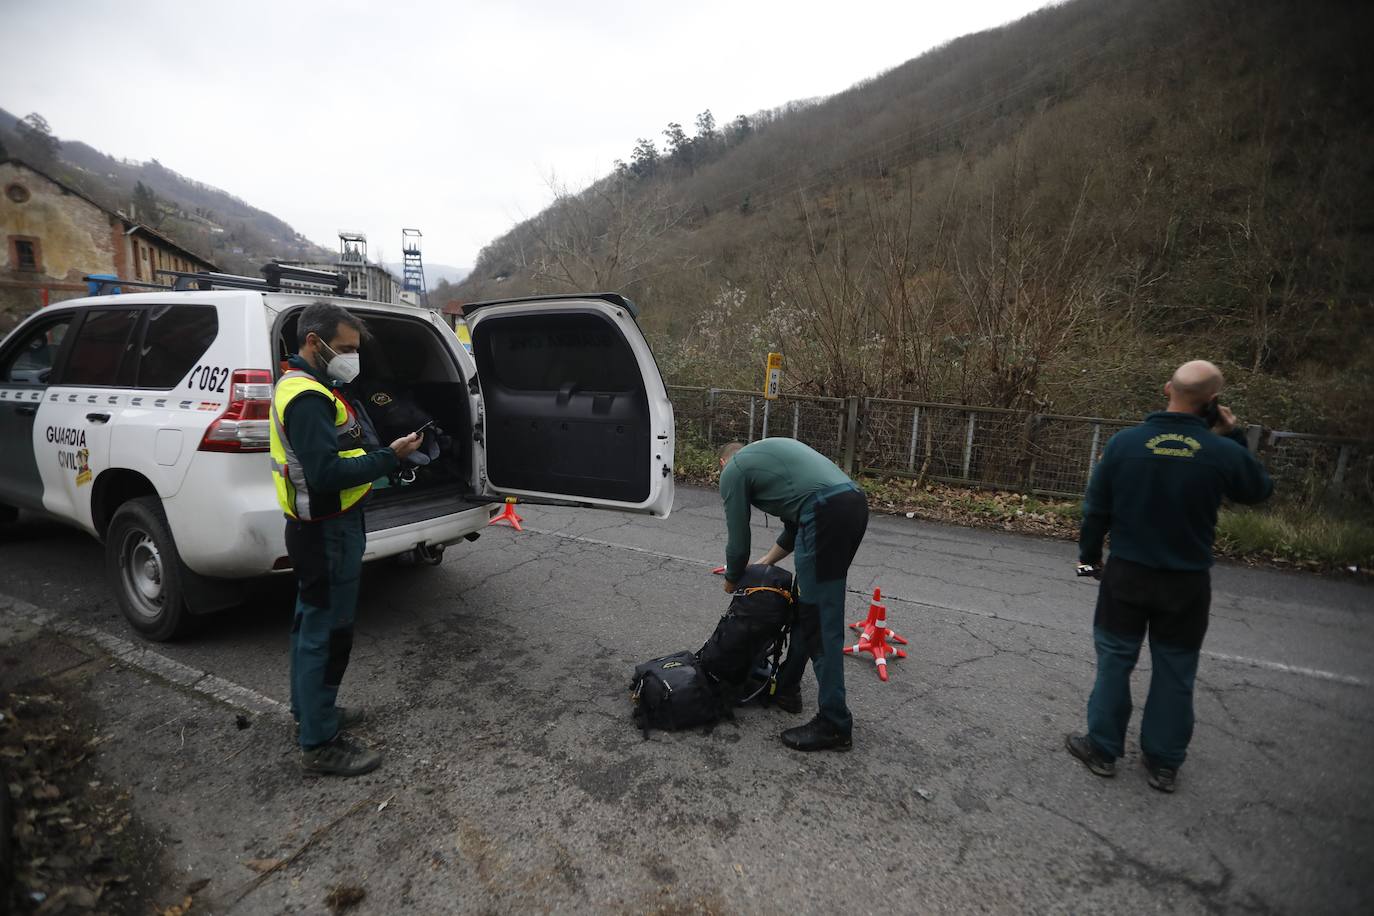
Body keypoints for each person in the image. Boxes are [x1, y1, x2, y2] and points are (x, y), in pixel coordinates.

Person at [1066, 360, 1273, 793]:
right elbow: (1258, 490)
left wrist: (1088, 563)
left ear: (1167, 389)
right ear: (1213, 402)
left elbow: (1095, 512)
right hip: (1186, 583)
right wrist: (1233, 435)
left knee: (1115, 661)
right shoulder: (1220, 452)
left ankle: (1102, 750)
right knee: (1176, 669)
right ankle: (1163, 764)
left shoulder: (1124, 445)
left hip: (1127, 574)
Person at [269, 302, 422, 776]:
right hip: (326, 530)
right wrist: (390, 457)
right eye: (346, 348)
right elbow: (326, 473)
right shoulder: (307, 397)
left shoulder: (308, 386)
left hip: (322, 526)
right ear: (314, 342)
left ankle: (311, 712)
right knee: (327, 632)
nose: (352, 357)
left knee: (310, 625)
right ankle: (319, 743)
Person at [718, 438, 869, 751]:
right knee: (807, 607)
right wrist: (765, 563)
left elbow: (738, 541)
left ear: (722, 463)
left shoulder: (734, 469)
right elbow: (793, 528)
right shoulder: (771, 461)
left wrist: (732, 580)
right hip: (852, 503)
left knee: (821, 621)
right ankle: (787, 688)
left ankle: (835, 723)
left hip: (826, 514)